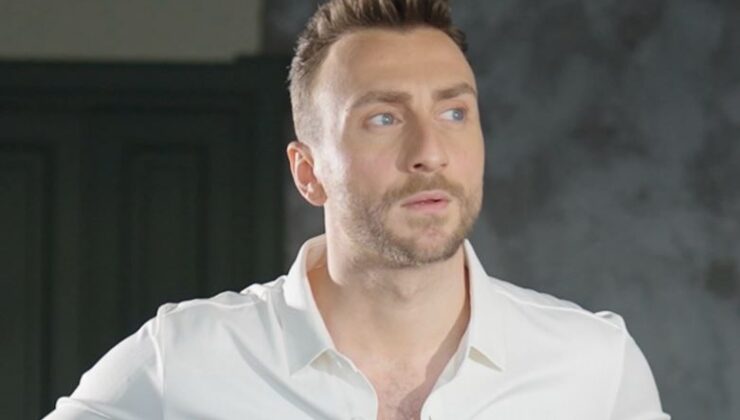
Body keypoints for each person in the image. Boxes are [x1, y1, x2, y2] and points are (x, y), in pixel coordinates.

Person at [45, 0, 670, 419]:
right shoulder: (184, 360)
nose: (430, 152)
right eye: (383, 118)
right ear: (308, 172)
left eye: (454, 112)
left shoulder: (594, 368)